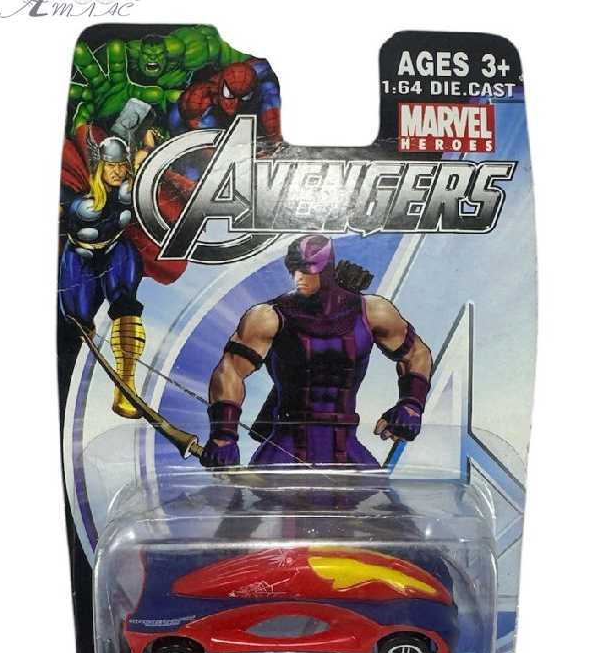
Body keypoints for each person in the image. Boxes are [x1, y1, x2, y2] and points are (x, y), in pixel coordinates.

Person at [201, 235, 432, 468]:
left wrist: (411, 403)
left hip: (345, 443)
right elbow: (230, 369)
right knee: (253, 492)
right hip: (286, 443)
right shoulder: (268, 316)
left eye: (307, 269)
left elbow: (416, 353)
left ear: (327, 269)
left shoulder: (372, 311)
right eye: (294, 269)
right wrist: (223, 433)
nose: (298, 277)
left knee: (381, 492)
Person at [59, 131, 153, 418]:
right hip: (81, 257)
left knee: (126, 305)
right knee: (78, 323)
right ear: (100, 165)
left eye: (121, 165)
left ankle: (126, 388)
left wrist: (148, 144)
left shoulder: (128, 185)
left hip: (115, 250)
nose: (118, 171)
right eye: (111, 165)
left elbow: (143, 157)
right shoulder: (77, 191)